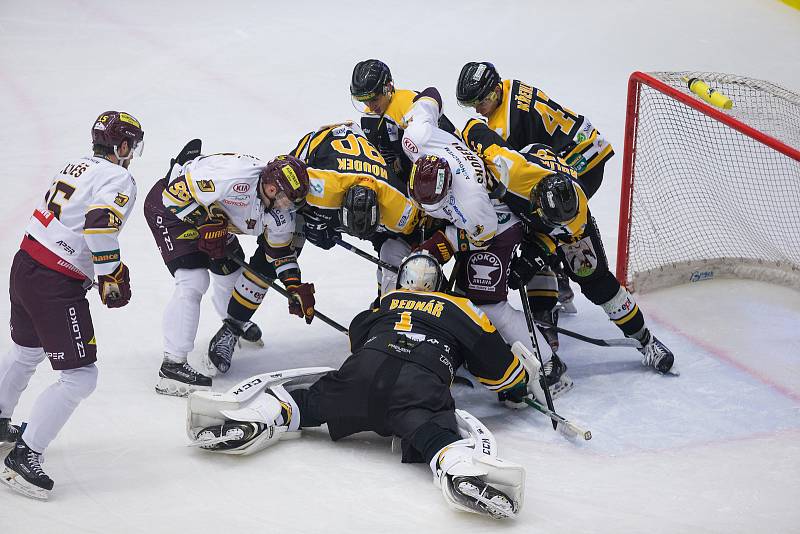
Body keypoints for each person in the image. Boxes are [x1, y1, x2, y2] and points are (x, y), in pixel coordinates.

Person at [186, 251, 549, 519]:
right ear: (440, 284)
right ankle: (458, 469)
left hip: (361, 373)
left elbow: (357, 338)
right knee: (435, 435)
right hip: (417, 387)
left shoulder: (385, 302)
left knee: (307, 402)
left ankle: (258, 417)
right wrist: (518, 385)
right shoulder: (464, 308)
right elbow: (501, 371)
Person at [0, 111, 143, 499]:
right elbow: (99, 224)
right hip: (54, 281)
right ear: (124, 145)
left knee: (27, 351)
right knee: (80, 377)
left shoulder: (75, 164)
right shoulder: (119, 177)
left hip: (26, 262)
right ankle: (24, 457)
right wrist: (110, 274)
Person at [462, 120, 675, 373]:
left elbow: (559, 236)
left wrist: (538, 252)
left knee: (596, 281)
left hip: (548, 212)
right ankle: (531, 315)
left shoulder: (576, 211)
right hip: (515, 205)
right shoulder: (513, 170)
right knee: (481, 260)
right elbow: (472, 126)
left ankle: (646, 340)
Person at [400, 88, 572, 395]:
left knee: (487, 303)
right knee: (461, 290)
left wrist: (444, 243)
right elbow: (430, 94)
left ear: (448, 187)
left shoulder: (472, 203)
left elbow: (484, 237)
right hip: (472, 212)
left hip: (501, 220)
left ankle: (549, 364)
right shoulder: (418, 138)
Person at [144, 149, 312, 396]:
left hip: (216, 217)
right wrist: (203, 222)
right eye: (288, 198)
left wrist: (294, 285)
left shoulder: (280, 212)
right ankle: (172, 366)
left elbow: (279, 253)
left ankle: (233, 325)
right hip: (171, 212)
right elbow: (173, 195)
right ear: (272, 189)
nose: (289, 207)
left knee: (232, 275)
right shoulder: (231, 178)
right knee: (193, 280)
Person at [457, 61, 615, 310]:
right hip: (589, 145)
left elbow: (518, 173)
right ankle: (559, 275)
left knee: (543, 223)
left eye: (480, 101)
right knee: (545, 219)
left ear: (494, 91)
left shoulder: (505, 127)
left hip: (580, 166)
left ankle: (550, 301)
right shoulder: (511, 86)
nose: (477, 109)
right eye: (470, 105)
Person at [290, 122, 421, 295]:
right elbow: (281, 177)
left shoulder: (397, 204)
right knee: (285, 220)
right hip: (325, 142)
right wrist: (312, 218)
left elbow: (420, 231)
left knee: (388, 242)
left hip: (367, 170)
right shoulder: (322, 185)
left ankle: (384, 297)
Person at [350, 59, 458, 183]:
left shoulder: (408, 105)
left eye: (374, 99)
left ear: (388, 87)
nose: (370, 106)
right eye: (364, 100)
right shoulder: (368, 117)